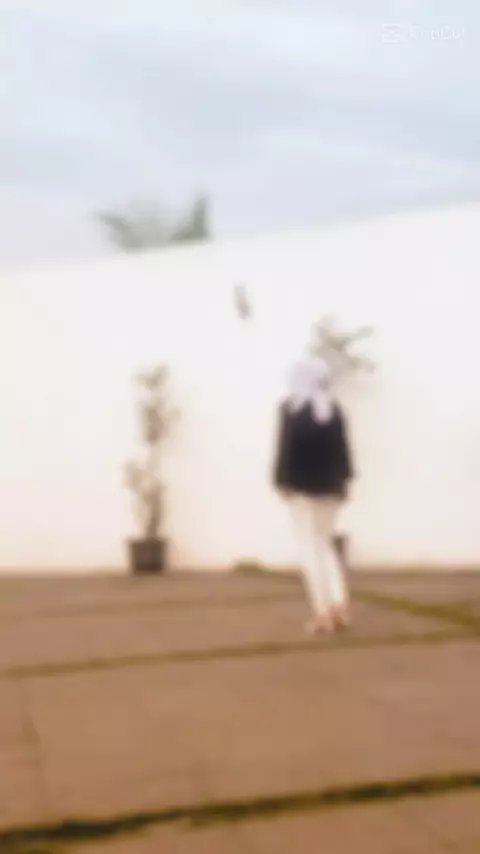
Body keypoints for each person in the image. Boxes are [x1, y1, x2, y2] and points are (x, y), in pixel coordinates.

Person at [273, 355, 354, 635]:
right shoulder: (333, 409)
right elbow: (344, 451)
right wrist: (345, 483)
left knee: (310, 550)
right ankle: (339, 603)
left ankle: (323, 612)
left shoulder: (291, 409)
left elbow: (285, 450)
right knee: (325, 545)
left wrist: (281, 482)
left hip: (302, 491)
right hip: (331, 490)